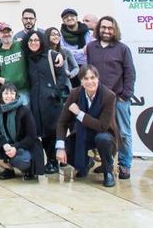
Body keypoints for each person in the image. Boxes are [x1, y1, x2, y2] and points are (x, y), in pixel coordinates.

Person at [85, 16, 135, 180]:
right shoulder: (91, 47)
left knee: (123, 134)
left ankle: (125, 165)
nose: (106, 30)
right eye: (103, 27)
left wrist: (125, 95)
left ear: (115, 30)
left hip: (118, 99)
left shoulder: (123, 49)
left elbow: (130, 73)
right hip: (98, 99)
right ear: (98, 28)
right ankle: (106, 164)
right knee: (102, 133)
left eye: (110, 28)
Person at [56, 65, 120, 187]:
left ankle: (108, 172)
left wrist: (79, 113)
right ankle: (85, 164)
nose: (90, 82)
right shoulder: (75, 93)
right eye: (86, 78)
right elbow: (62, 122)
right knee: (65, 147)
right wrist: (60, 147)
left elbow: (102, 126)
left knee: (102, 139)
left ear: (98, 78)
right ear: (81, 81)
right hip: (82, 133)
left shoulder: (109, 96)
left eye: (92, 77)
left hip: (105, 134)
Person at [23, 30, 68, 174]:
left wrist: (55, 91)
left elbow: (62, 75)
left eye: (36, 40)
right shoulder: (28, 58)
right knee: (42, 132)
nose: (34, 43)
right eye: (31, 40)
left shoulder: (52, 55)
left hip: (51, 102)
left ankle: (54, 161)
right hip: (36, 101)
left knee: (53, 131)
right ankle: (50, 160)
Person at [0, 83, 42, 180]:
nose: (9, 96)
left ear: (16, 95)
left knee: (20, 160)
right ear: (1, 95)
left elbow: (31, 137)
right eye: (6, 93)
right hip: (7, 146)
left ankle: (28, 170)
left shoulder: (24, 110)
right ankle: (8, 169)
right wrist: (4, 144)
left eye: (12, 93)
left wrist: (15, 147)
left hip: (24, 147)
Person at [0, 23, 29, 105]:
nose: (6, 34)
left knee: (25, 115)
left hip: (24, 91)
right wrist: (1, 79)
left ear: (12, 33)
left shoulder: (21, 45)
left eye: (8, 32)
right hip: (9, 93)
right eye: (3, 32)